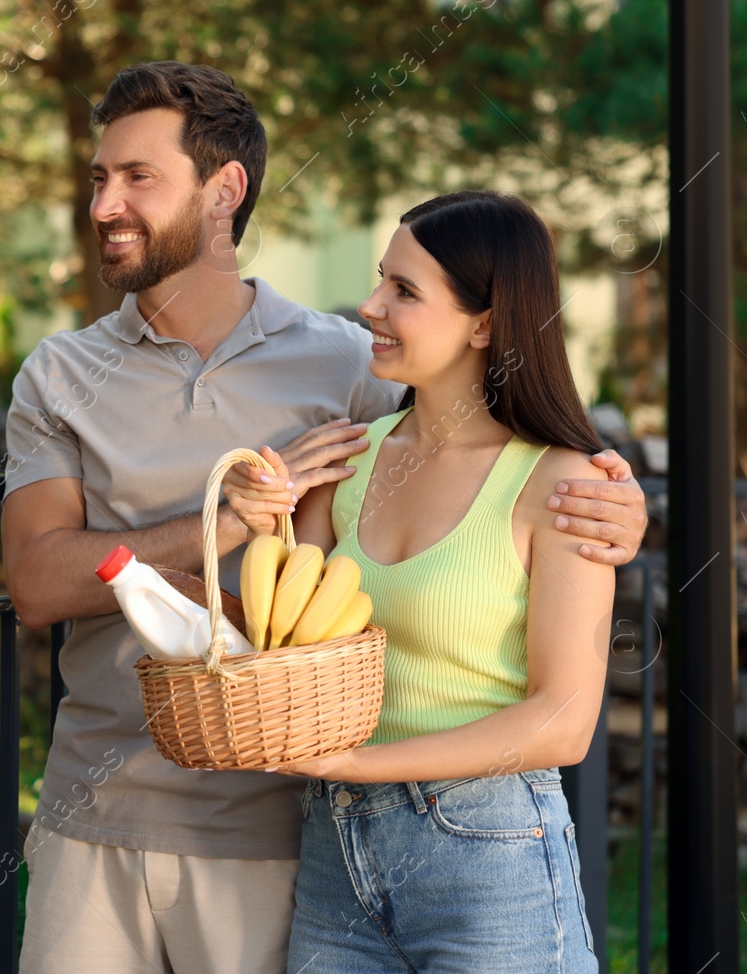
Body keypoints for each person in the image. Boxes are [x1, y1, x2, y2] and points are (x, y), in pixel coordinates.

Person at [1, 63, 646, 974]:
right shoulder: (59, 373)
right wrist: (219, 522)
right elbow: (41, 584)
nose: (104, 202)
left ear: (226, 189)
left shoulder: (349, 362)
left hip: (292, 829)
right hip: (118, 815)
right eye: (98, 177)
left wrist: (615, 505)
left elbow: (493, 447)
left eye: (137, 176)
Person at [223, 189, 612, 972]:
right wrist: (252, 523)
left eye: (404, 290)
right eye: (379, 280)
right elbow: (277, 649)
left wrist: (358, 764)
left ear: (486, 322)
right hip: (337, 853)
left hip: (491, 858)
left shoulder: (560, 484)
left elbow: (564, 721)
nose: (370, 306)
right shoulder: (346, 458)